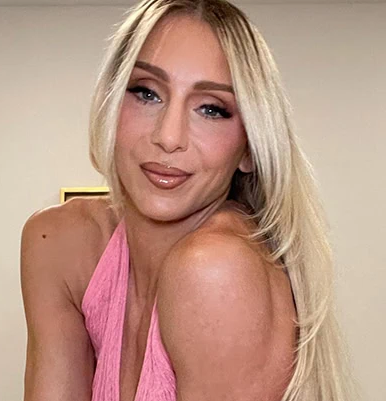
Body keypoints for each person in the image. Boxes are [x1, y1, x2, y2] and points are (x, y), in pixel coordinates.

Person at [20, 0, 353, 400]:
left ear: (250, 147)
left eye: (211, 109)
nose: (169, 136)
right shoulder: (59, 242)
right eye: (147, 93)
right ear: (110, 102)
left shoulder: (216, 270)